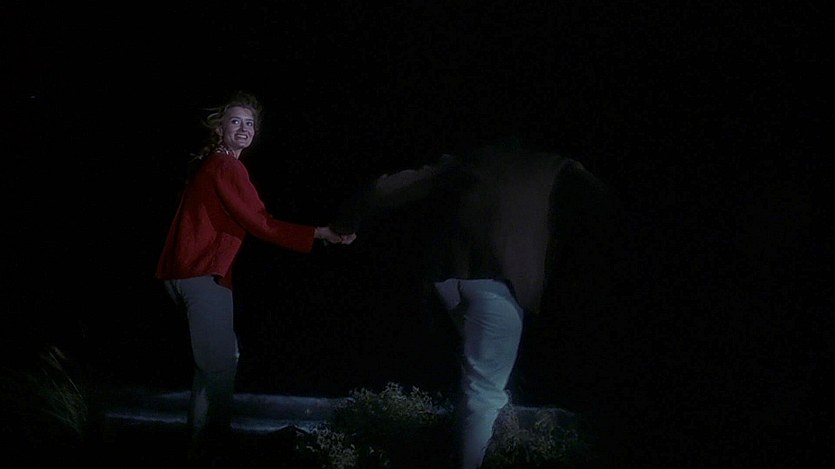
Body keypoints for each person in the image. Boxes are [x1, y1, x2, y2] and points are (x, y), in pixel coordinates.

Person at [335, 141, 617, 468]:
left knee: (480, 379)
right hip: (496, 283)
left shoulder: (474, 158)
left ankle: (479, 442)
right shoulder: (558, 166)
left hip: (446, 282)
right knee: (484, 395)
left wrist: (347, 221)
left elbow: (392, 186)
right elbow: (604, 202)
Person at [155, 91, 355, 463]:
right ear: (220, 128)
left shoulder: (215, 165)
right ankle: (214, 446)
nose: (244, 128)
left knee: (215, 365)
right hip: (201, 275)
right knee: (218, 368)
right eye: (235, 121)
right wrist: (320, 233)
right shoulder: (226, 166)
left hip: (191, 274)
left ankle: (200, 447)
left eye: (249, 123)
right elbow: (261, 223)